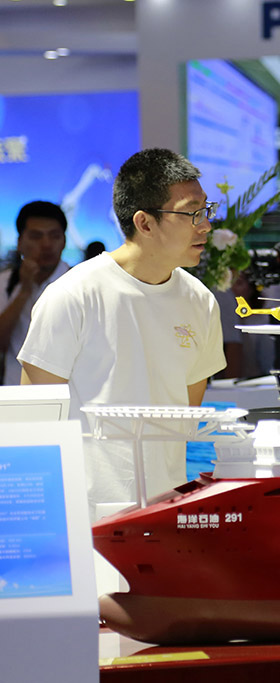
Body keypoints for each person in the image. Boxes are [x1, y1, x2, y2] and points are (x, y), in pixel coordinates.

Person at [18, 148, 226, 515]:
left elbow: (186, 414)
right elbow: (34, 418)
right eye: (192, 212)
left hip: (166, 508)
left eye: (206, 210)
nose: (205, 225)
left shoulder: (200, 302)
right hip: (83, 513)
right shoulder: (74, 295)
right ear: (144, 223)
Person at [0, 201, 70, 385]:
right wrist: (24, 291)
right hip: (13, 390)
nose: (46, 244)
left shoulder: (79, 283)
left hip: (66, 393)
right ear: (20, 242)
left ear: (64, 241)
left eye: (54, 236)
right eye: (36, 236)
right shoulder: (5, 282)